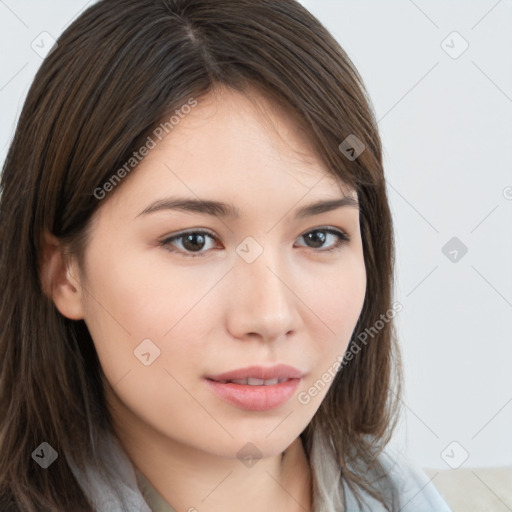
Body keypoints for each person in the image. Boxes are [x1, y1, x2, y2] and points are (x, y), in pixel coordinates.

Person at [0, 0, 452, 510]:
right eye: (193, 241)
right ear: (64, 274)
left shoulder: (409, 497)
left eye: (319, 236)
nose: (270, 316)